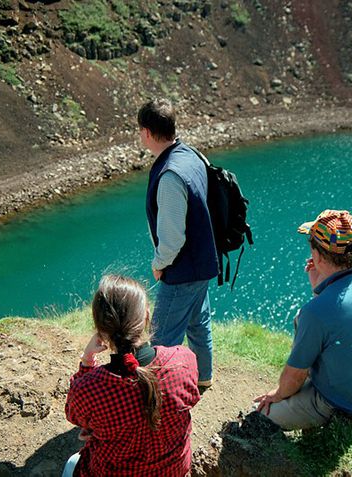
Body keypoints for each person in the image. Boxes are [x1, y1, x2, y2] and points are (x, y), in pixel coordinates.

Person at [254, 210, 352, 430]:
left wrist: (277, 394)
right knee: (306, 319)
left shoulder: (315, 312)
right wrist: (318, 286)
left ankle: (343, 421)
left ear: (317, 255)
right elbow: (337, 312)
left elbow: (294, 378)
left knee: (260, 413)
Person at [63, 275, 200, 477]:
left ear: (100, 330)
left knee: (71, 464)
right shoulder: (184, 361)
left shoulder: (88, 389)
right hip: (173, 471)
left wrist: (87, 360)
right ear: (146, 317)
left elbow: (75, 416)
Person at [138, 99, 219, 389]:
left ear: (146, 132)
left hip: (183, 270)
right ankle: (202, 377)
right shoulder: (190, 155)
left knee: (162, 340)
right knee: (198, 325)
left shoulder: (170, 175)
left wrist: (159, 265)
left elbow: (173, 238)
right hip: (204, 262)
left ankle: (158, 395)